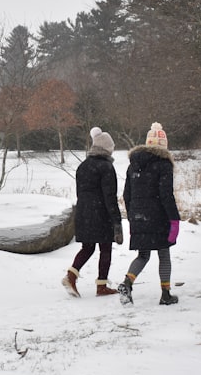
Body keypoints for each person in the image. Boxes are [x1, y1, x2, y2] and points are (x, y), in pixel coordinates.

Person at [117, 122, 181, 306]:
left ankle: (127, 283)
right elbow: (166, 195)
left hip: (138, 217)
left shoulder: (133, 166)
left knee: (143, 255)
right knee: (164, 254)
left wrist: (132, 217)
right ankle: (165, 294)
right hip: (158, 217)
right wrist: (174, 220)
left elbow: (126, 195)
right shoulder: (164, 165)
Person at [62, 127, 123, 297]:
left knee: (87, 247)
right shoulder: (106, 167)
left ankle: (71, 276)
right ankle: (101, 286)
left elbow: (80, 192)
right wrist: (116, 220)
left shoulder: (83, 166)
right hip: (101, 214)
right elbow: (109, 197)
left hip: (83, 213)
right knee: (105, 248)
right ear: (107, 148)